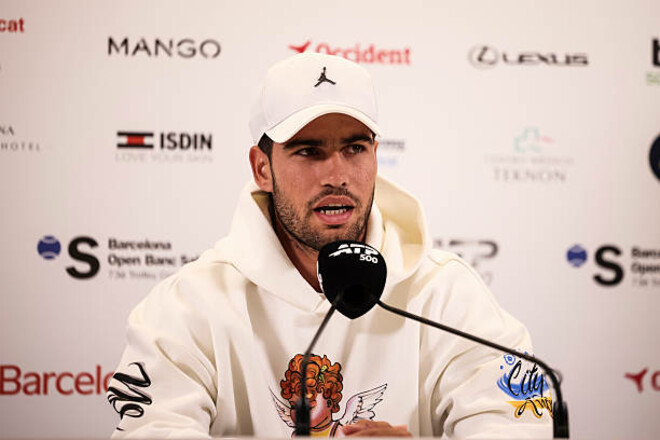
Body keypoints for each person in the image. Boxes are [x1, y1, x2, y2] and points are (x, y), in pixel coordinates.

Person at [107, 53, 552, 438]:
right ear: (262, 168)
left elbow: (518, 425)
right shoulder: (188, 305)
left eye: (354, 148)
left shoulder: (446, 294)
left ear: (375, 155)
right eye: (309, 151)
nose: (337, 176)